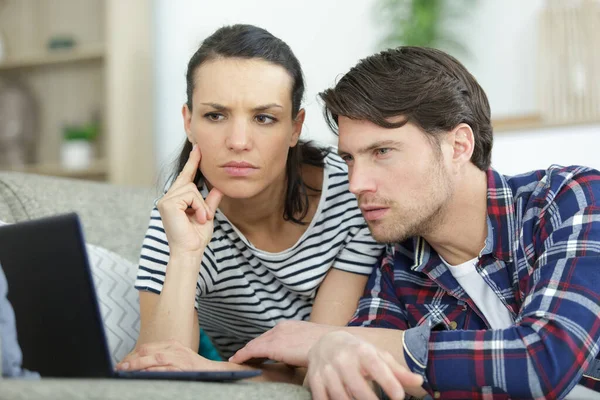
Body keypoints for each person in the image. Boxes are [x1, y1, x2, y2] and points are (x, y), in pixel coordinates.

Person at [230, 46, 600, 399]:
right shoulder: (398, 268)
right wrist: (333, 354)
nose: (357, 183)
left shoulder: (571, 200)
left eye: (382, 152)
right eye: (350, 159)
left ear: (458, 146)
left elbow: (546, 359)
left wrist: (346, 342)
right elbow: (362, 379)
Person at [116, 24, 384, 377]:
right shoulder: (175, 218)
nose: (239, 141)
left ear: (294, 127)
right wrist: (185, 252)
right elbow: (161, 370)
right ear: (189, 121)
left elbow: (319, 365)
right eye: (215, 115)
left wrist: (215, 370)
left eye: (264, 118)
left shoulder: (350, 197)